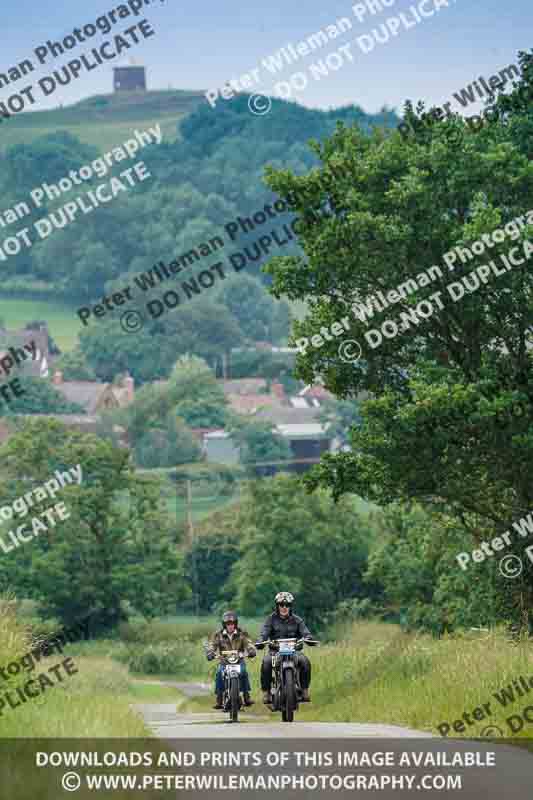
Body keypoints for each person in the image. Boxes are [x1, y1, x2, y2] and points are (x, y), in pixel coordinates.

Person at [257, 591, 314, 704]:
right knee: (266, 663)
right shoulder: (271, 619)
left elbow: (305, 632)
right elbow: (264, 633)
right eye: (281, 605)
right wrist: (261, 640)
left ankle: (304, 690)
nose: (284, 607)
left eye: (287, 605)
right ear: (277, 606)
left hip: (294, 651)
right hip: (275, 651)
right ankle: (266, 692)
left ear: (290, 606)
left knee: (305, 662)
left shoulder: (297, 620)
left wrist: (309, 637)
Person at [205, 610, 256, 709]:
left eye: (232, 623)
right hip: (224, 661)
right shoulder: (218, 634)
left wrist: (251, 650)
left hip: (239, 660)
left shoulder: (242, 633)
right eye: (228, 624)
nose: (230, 626)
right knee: (219, 673)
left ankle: (246, 697)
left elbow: (249, 643)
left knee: (244, 672)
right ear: (224, 624)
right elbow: (212, 645)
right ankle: (219, 699)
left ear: (235, 624)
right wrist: (210, 652)